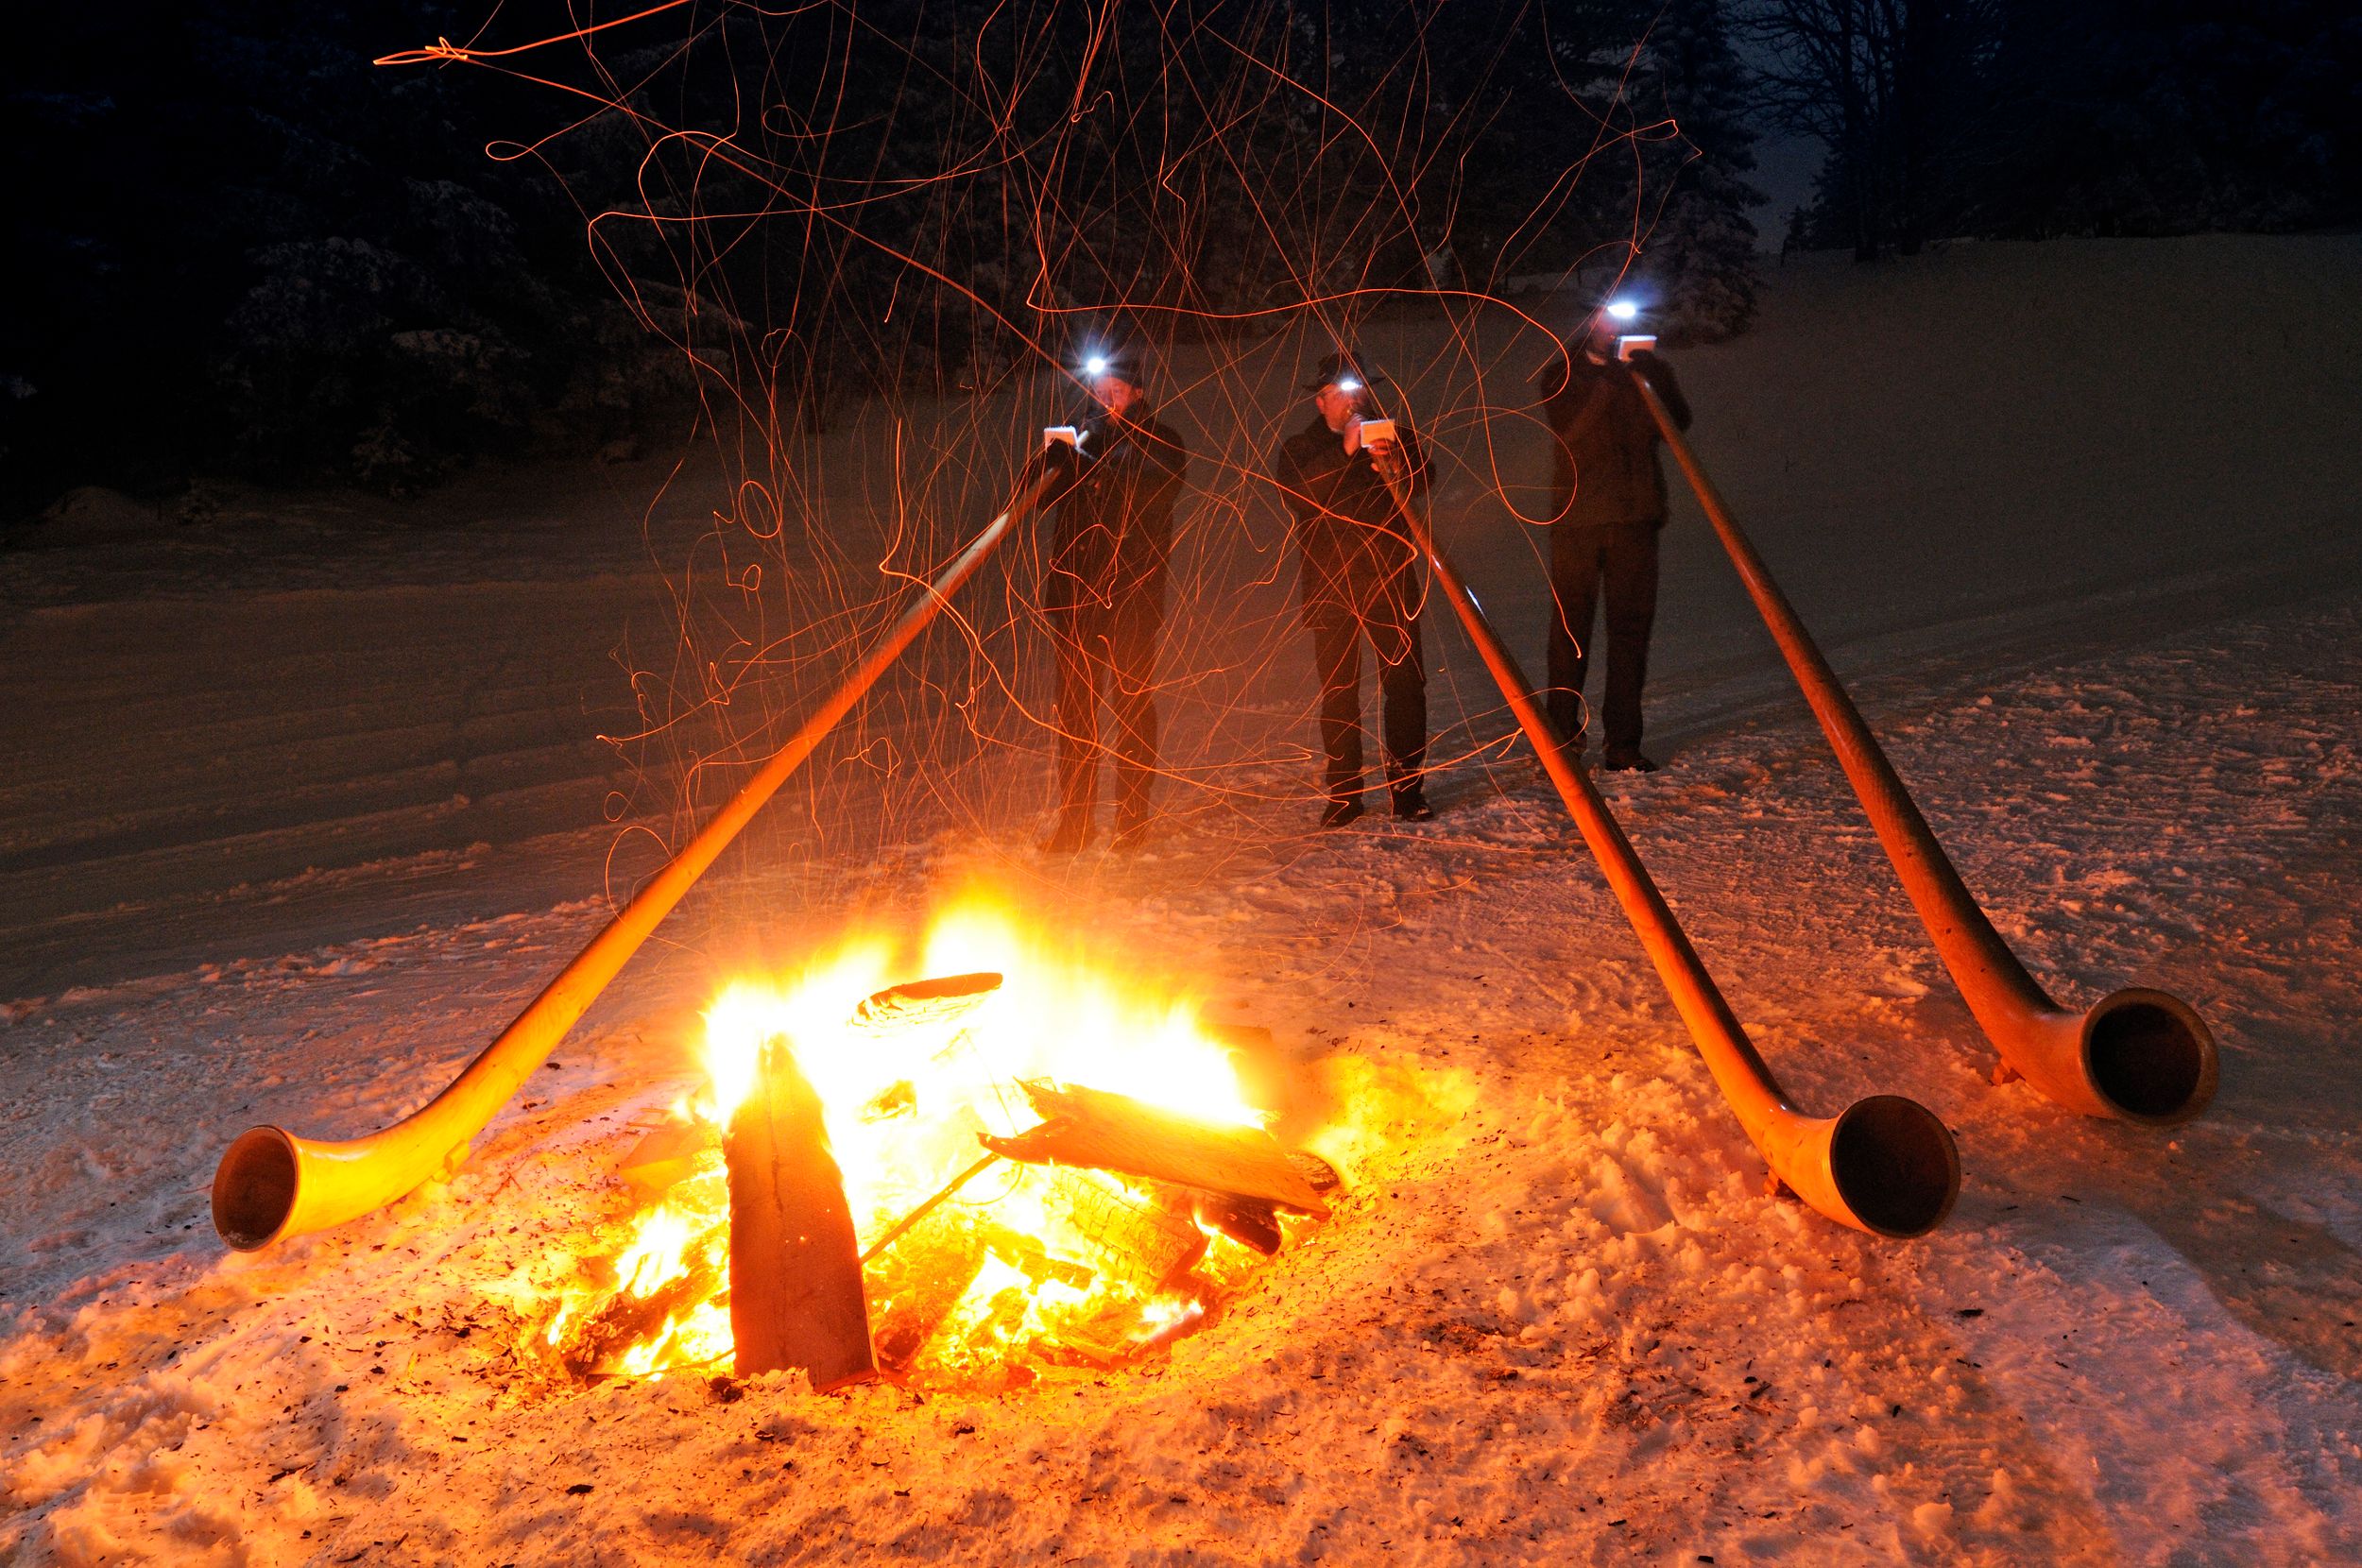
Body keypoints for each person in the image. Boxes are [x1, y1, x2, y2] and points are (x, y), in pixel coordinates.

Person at [1272, 350, 1435, 827]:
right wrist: (1344, 452)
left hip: (1390, 579)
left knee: (1405, 686)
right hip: (1332, 585)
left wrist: (1394, 459)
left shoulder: (1392, 435)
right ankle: (1344, 795)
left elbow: (1424, 479)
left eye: (1356, 391)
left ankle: (1407, 790)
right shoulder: (1301, 447)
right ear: (1321, 403)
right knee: (1339, 691)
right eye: (1338, 394)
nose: (1349, 400)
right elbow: (1297, 494)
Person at [1036, 347, 1189, 853]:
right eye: (1098, 393)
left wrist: (1090, 452)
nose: (1104, 402)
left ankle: (1131, 818)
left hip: (1131, 598)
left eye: (1115, 393)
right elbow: (1032, 500)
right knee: (1075, 715)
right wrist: (1052, 462)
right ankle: (1075, 822)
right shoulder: (1080, 444)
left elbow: (1146, 483)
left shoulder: (1161, 442)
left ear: (1138, 393)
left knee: (1131, 707)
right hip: (1077, 597)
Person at [1537, 304, 1692, 772]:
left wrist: (1654, 377)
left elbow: (1677, 425)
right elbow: (1571, 430)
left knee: (1630, 633)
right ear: (1587, 325)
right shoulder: (1561, 374)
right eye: (1604, 321)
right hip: (1578, 521)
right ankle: (1561, 740)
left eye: (1619, 320)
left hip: (1635, 519)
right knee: (1570, 634)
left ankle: (1623, 743)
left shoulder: (1647, 371)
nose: (1613, 329)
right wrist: (1610, 384)